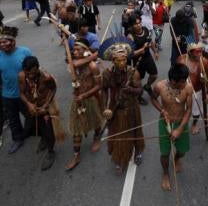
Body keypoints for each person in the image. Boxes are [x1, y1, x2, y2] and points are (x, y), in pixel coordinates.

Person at [101, 37, 145, 173]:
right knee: (118, 135)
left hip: (132, 108)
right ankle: (119, 158)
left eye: (124, 59)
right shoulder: (107, 74)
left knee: (135, 131)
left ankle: (138, 151)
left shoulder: (133, 72)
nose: (122, 63)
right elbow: (104, 91)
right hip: (116, 110)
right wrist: (105, 109)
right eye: (118, 60)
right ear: (112, 61)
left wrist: (131, 90)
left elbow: (140, 90)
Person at [151, 63, 193, 191]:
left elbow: (189, 110)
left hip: (181, 123)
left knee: (182, 151)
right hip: (165, 123)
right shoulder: (159, 86)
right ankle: (165, 173)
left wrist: (179, 129)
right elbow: (153, 99)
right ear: (173, 81)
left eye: (185, 80)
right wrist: (162, 110)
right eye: (182, 81)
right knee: (164, 153)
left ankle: (176, 159)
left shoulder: (188, 88)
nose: (185, 83)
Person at [65, 38, 103, 171]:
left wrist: (85, 95)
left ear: (85, 50)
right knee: (77, 128)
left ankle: (97, 138)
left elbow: (99, 85)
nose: (74, 52)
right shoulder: (73, 63)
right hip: (78, 100)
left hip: (91, 98)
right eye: (73, 49)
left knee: (96, 121)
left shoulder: (93, 66)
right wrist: (92, 55)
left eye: (78, 49)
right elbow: (73, 64)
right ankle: (76, 155)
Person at [19, 56, 63, 171]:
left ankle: (50, 151)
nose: (30, 76)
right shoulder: (22, 76)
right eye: (27, 73)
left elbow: (53, 89)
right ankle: (43, 139)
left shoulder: (46, 77)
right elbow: (21, 93)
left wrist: (46, 105)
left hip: (45, 108)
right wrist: (28, 104)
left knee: (48, 131)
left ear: (37, 69)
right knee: (32, 128)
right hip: (32, 109)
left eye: (33, 73)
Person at [0, 26, 32, 154]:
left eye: (5, 41)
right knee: (13, 119)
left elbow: (34, 69)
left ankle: (33, 132)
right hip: (7, 95)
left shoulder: (25, 52)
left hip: (25, 94)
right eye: (0, 42)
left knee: (30, 115)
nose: (2, 45)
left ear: (13, 41)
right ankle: (17, 139)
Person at [177, 43, 208, 135]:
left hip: (198, 91)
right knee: (180, 110)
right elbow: (175, 75)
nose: (200, 54)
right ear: (190, 53)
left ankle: (194, 124)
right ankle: (180, 126)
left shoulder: (205, 62)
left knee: (196, 112)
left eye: (201, 51)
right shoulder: (181, 60)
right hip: (183, 91)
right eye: (197, 52)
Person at [128, 16, 159, 105]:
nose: (138, 25)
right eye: (136, 24)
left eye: (139, 23)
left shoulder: (145, 30)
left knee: (154, 75)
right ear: (132, 25)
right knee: (137, 81)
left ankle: (148, 86)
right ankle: (138, 96)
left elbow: (150, 42)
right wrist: (143, 49)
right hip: (137, 60)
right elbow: (131, 53)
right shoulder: (130, 36)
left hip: (147, 57)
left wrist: (155, 52)